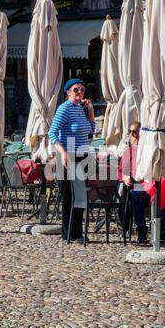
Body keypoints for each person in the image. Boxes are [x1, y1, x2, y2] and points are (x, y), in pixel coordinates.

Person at [48, 78, 95, 243]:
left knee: (81, 196)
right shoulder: (64, 108)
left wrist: (90, 111)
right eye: (76, 90)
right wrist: (63, 152)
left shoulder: (80, 109)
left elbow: (91, 131)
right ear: (68, 92)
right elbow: (52, 133)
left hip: (82, 156)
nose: (80, 92)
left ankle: (78, 233)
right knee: (68, 196)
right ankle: (67, 233)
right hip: (68, 157)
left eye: (82, 89)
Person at [118, 122, 165, 244]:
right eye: (130, 132)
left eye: (135, 131)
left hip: (154, 185)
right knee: (135, 196)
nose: (132, 135)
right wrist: (125, 177)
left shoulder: (152, 150)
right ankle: (141, 229)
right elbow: (120, 171)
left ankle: (162, 230)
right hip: (139, 187)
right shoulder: (128, 151)